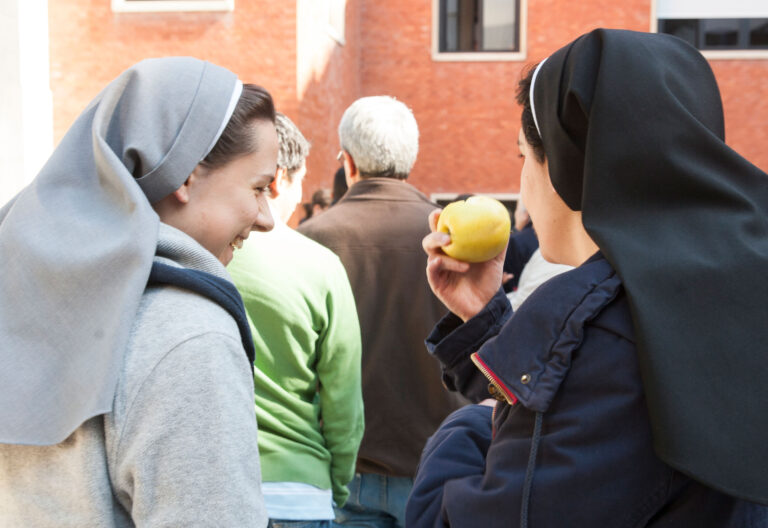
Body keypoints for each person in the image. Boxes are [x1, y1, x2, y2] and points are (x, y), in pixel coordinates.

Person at [407, 29, 768, 527]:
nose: (522, 190)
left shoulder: (603, 332)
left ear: (564, 162)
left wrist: (466, 430)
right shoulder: (731, 288)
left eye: (522, 157)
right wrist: (487, 317)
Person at [0, 57, 278, 527]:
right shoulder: (188, 335)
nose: (267, 217)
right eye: (259, 186)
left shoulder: (22, 297)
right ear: (187, 174)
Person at [298, 96, 466, 527]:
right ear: (411, 158)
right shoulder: (451, 236)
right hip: (437, 462)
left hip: (345, 466)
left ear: (348, 163)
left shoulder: (310, 239)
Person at [227, 112, 364, 528]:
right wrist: (335, 486)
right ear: (278, 177)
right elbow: (343, 401)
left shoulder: (200, 255)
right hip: (299, 489)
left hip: (220, 483)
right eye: (301, 180)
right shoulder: (320, 266)